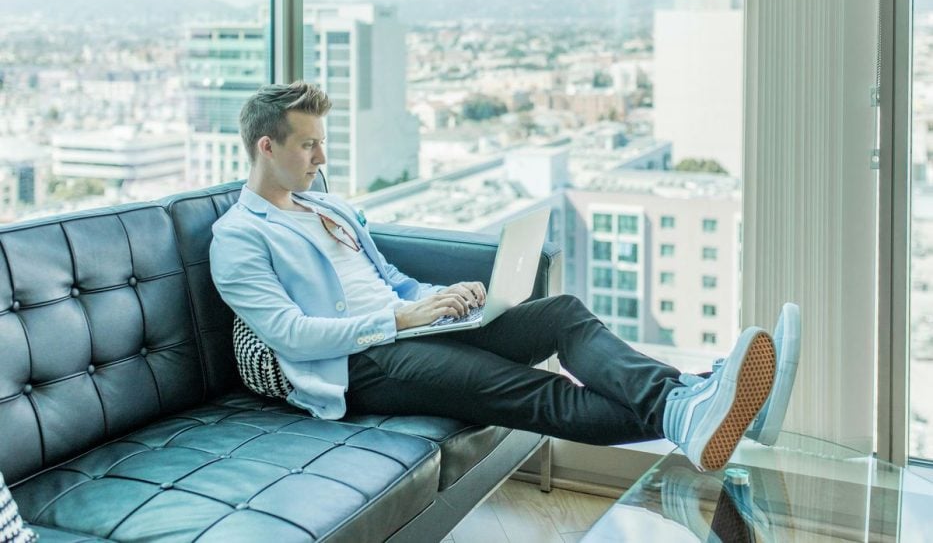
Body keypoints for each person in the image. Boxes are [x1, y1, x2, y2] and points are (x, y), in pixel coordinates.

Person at [210, 83, 801, 472]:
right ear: (267, 146)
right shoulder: (239, 236)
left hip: (413, 330)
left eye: (321, 143)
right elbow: (290, 334)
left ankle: (696, 404)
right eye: (308, 144)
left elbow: (385, 274)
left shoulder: (328, 207)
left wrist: (437, 298)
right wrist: (398, 317)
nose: (320, 157)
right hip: (359, 364)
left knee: (563, 314)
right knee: (529, 390)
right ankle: (705, 405)